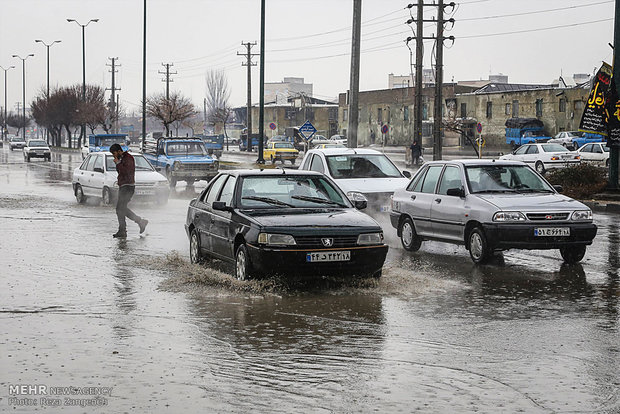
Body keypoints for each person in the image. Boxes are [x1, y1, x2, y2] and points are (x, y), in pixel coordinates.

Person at [109, 143, 148, 238]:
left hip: (128, 187)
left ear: (119, 151)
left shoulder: (128, 158)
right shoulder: (122, 159)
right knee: (121, 209)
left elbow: (126, 172)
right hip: (123, 186)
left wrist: (118, 163)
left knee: (120, 209)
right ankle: (128, 227)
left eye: (114, 153)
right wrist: (118, 163)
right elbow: (120, 172)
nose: (114, 156)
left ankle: (129, 227)